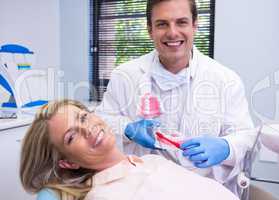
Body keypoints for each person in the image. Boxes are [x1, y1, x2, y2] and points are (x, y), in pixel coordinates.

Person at [96, 0, 257, 197]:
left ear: (195, 26)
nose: (172, 32)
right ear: (150, 30)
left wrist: (226, 147)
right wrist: (127, 129)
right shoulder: (125, 75)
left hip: (205, 191)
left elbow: (247, 137)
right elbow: (100, 123)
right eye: (162, 24)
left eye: (181, 22)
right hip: (142, 190)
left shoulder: (225, 79)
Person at [20, 99, 239, 200]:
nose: (87, 129)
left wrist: (229, 147)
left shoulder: (153, 160)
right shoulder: (105, 195)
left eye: (84, 117)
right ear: (68, 163)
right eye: (72, 135)